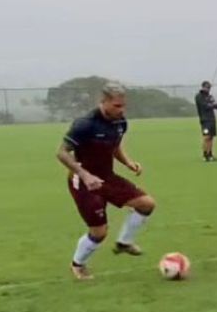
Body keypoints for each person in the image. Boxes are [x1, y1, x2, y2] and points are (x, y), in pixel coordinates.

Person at [56, 84, 157, 280]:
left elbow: (115, 145)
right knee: (99, 232)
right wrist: (85, 175)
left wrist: (128, 163)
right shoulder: (85, 124)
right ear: (103, 102)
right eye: (117, 106)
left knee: (146, 204)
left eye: (123, 106)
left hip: (107, 177)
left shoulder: (120, 123)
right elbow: (61, 153)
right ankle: (78, 265)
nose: (122, 110)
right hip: (83, 181)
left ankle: (124, 243)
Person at [195, 80, 217, 161]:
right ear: (202, 87)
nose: (207, 89)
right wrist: (212, 105)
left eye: (209, 87)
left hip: (212, 119)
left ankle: (210, 154)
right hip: (205, 120)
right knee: (206, 137)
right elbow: (205, 106)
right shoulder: (199, 96)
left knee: (211, 137)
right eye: (206, 87)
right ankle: (205, 154)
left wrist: (213, 104)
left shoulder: (210, 96)